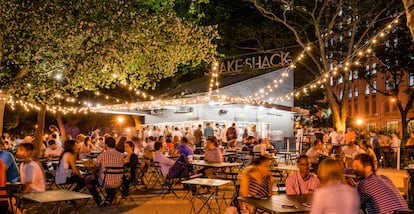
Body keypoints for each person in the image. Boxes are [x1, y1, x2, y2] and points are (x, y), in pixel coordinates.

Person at [86, 137, 124, 206]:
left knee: (88, 180)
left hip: (104, 182)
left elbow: (95, 168)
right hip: (118, 182)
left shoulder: (102, 155)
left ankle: (98, 200)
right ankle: (109, 198)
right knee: (109, 178)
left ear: (106, 145)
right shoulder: (121, 156)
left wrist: (93, 173)